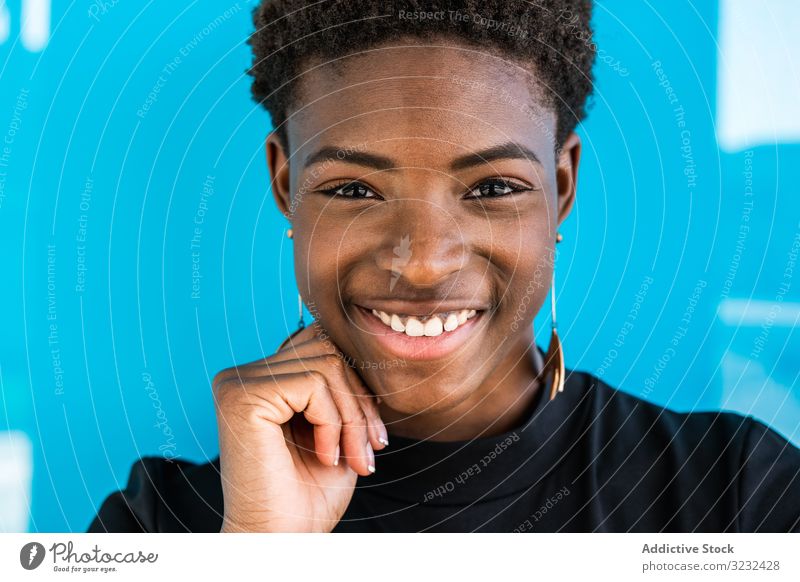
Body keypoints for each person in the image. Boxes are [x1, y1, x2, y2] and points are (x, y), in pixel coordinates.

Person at [87, 0, 800, 533]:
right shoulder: (166, 525)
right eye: (354, 190)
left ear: (562, 189)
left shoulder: (738, 494)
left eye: (492, 188)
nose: (424, 264)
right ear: (285, 185)